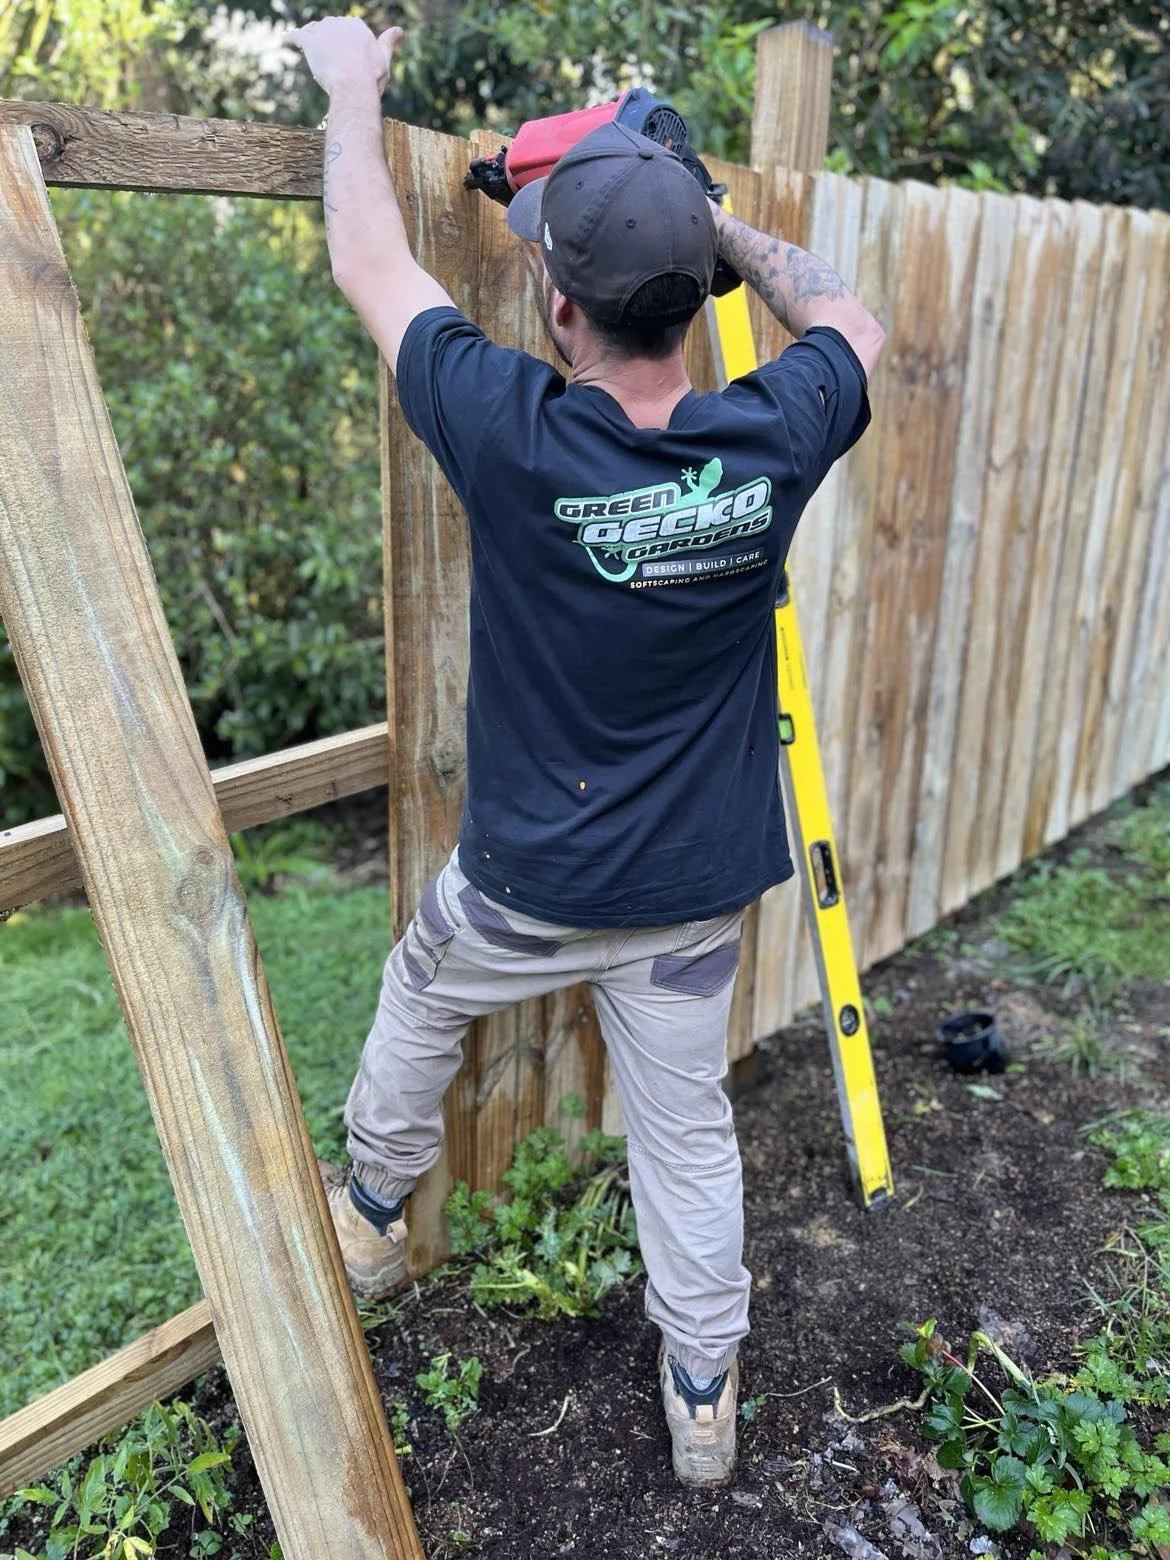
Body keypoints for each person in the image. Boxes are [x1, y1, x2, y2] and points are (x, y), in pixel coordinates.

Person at [289, 16, 884, 1489]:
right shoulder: (771, 436)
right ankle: (701, 1394)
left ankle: (370, 1205)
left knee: (420, 988)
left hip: (529, 890)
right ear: (688, 302)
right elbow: (849, 324)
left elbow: (368, 257)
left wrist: (354, 85)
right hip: (691, 901)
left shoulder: (513, 433)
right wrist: (711, 217)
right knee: (683, 1138)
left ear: (554, 310)